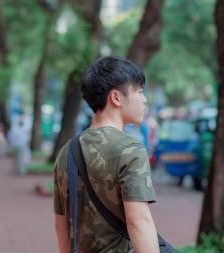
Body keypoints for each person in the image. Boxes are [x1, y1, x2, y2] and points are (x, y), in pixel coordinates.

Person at [53, 56, 159, 253]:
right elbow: (139, 222)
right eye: (139, 91)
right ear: (116, 97)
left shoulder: (66, 151)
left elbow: (62, 225)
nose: (144, 99)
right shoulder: (130, 149)